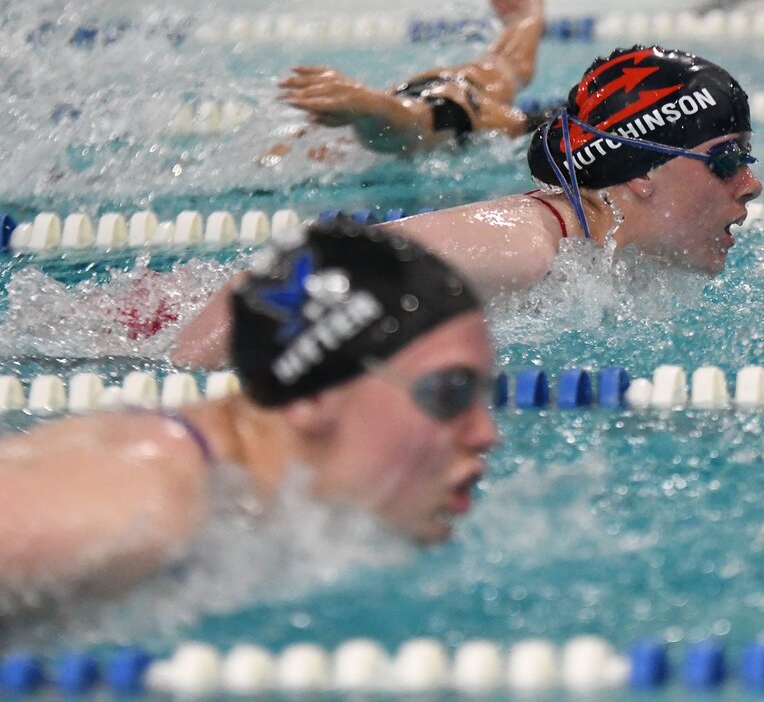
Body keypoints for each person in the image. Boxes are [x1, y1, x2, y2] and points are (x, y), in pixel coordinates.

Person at [171, 44, 763, 369]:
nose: (750, 184)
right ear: (641, 176)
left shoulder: (601, 252)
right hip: (148, 330)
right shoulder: (525, 246)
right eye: (725, 159)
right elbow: (299, 272)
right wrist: (181, 376)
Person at [0, 222, 497, 606]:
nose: (486, 434)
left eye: (483, 395)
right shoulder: (138, 503)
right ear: (312, 397)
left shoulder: (241, 499)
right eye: (449, 394)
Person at [264, 0, 547, 159]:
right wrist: (368, 104)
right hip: (425, 109)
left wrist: (530, 14)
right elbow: (412, 120)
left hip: (427, 99)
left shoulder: (488, 93)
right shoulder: (490, 115)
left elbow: (511, 64)